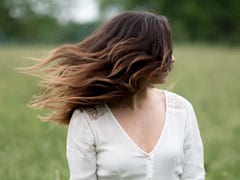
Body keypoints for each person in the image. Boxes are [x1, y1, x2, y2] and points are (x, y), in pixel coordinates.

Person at [26, 11, 206, 180]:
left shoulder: (181, 110)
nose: (172, 59)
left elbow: (195, 176)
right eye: (162, 50)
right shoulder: (88, 119)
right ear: (136, 55)